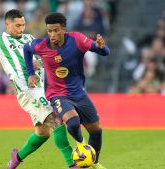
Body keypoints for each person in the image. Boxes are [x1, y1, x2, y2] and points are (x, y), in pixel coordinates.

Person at [0, 2, 81, 169]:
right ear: (7, 24)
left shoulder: (29, 39)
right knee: (56, 120)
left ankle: (16, 158)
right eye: (17, 26)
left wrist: (39, 62)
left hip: (43, 89)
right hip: (27, 91)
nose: (21, 29)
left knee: (43, 133)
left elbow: (44, 61)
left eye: (23, 25)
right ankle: (72, 165)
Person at [24, 12, 110, 169]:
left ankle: (92, 163)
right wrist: (30, 73)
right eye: (49, 31)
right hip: (57, 95)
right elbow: (26, 49)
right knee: (73, 122)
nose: (52, 35)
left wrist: (102, 47)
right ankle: (82, 147)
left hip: (79, 93)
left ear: (64, 29)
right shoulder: (41, 45)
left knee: (96, 131)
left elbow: (103, 51)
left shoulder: (77, 40)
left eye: (56, 30)